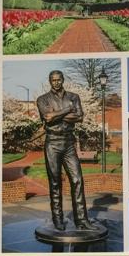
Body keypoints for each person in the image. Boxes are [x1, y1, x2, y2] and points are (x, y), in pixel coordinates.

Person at [36, 70, 95, 231]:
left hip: (69, 143)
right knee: (55, 182)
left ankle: (81, 220)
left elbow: (80, 117)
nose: (56, 82)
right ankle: (58, 219)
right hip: (52, 143)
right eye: (53, 80)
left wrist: (56, 115)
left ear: (63, 80)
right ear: (50, 81)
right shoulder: (42, 99)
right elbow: (48, 118)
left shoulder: (73, 97)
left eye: (58, 79)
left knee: (77, 180)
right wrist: (68, 110)